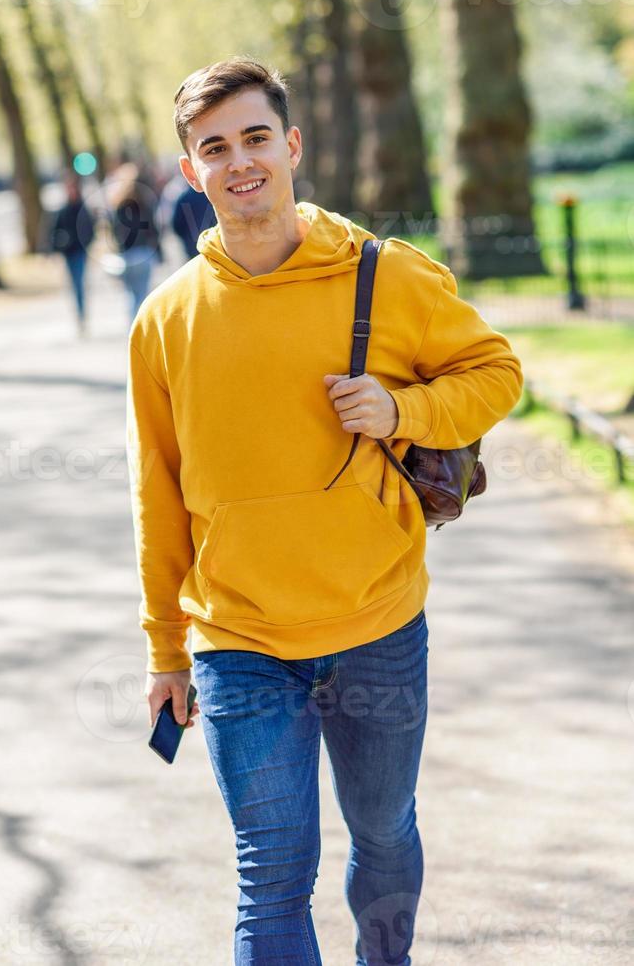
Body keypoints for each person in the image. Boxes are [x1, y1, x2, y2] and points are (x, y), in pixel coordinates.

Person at [125, 57, 524, 965]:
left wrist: (403, 411)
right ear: (191, 170)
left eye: (256, 138)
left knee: (384, 837)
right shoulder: (165, 319)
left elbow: (496, 371)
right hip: (240, 641)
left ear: (292, 145)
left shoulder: (385, 277)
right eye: (214, 148)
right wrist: (164, 650)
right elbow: (155, 493)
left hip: (377, 620)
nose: (240, 163)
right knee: (270, 876)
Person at [107, 162, 162, 323]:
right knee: (142, 294)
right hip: (144, 253)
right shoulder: (145, 203)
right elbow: (153, 230)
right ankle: (142, 329)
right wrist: (159, 253)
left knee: (130, 295)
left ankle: (133, 327)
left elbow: (115, 232)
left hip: (127, 255)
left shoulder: (118, 206)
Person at [49, 173, 95, 337]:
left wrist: (84, 243)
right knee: (74, 285)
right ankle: (79, 315)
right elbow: (54, 231)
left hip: (80, 252)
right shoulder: (62, 210)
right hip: (68, 253)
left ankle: (83, 314)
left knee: (80, 283)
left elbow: (91, 230)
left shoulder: (83, 208)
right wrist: (57, 248)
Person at [171, 182, 217, 260]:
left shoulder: (183, 197)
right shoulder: (211, 195)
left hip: (192, 247)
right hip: (213, 245)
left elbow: (176, 225)